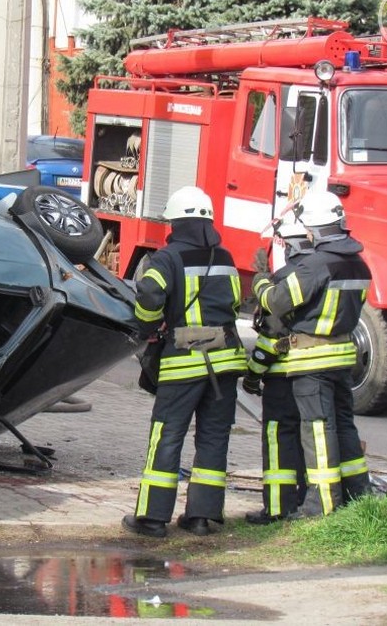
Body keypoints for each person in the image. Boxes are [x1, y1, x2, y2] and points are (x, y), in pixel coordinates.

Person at [123, 186, 247, 538]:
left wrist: (146, 325)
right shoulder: (224, 257)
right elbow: (235, 303)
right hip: (225, 359)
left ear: (175, 222)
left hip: (185, 360)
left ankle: (152, 519)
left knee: (167, 436)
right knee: (213, 437)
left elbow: (148, 294)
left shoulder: (167, 257)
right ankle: (201, 519)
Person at [251, 191, 372, 517]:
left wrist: (260, 283)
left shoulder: (316, 265)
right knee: (344, 428)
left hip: (311, 362)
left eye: (306, 229)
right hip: (343, 359)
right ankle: (359, 497)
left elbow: (278, 302)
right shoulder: (358, 263)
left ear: (315, 229)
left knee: (317, 430)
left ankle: (321, 506)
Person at [242, 212, 313, 524]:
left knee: (278, 439)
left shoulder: (284, 281)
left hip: (282, 377)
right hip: (310, 376)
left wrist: (253, 375)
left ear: (287, 243)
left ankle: (276, 508)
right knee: (303, 440)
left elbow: (271, 339)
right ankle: (301, 500)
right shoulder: (317, 274)